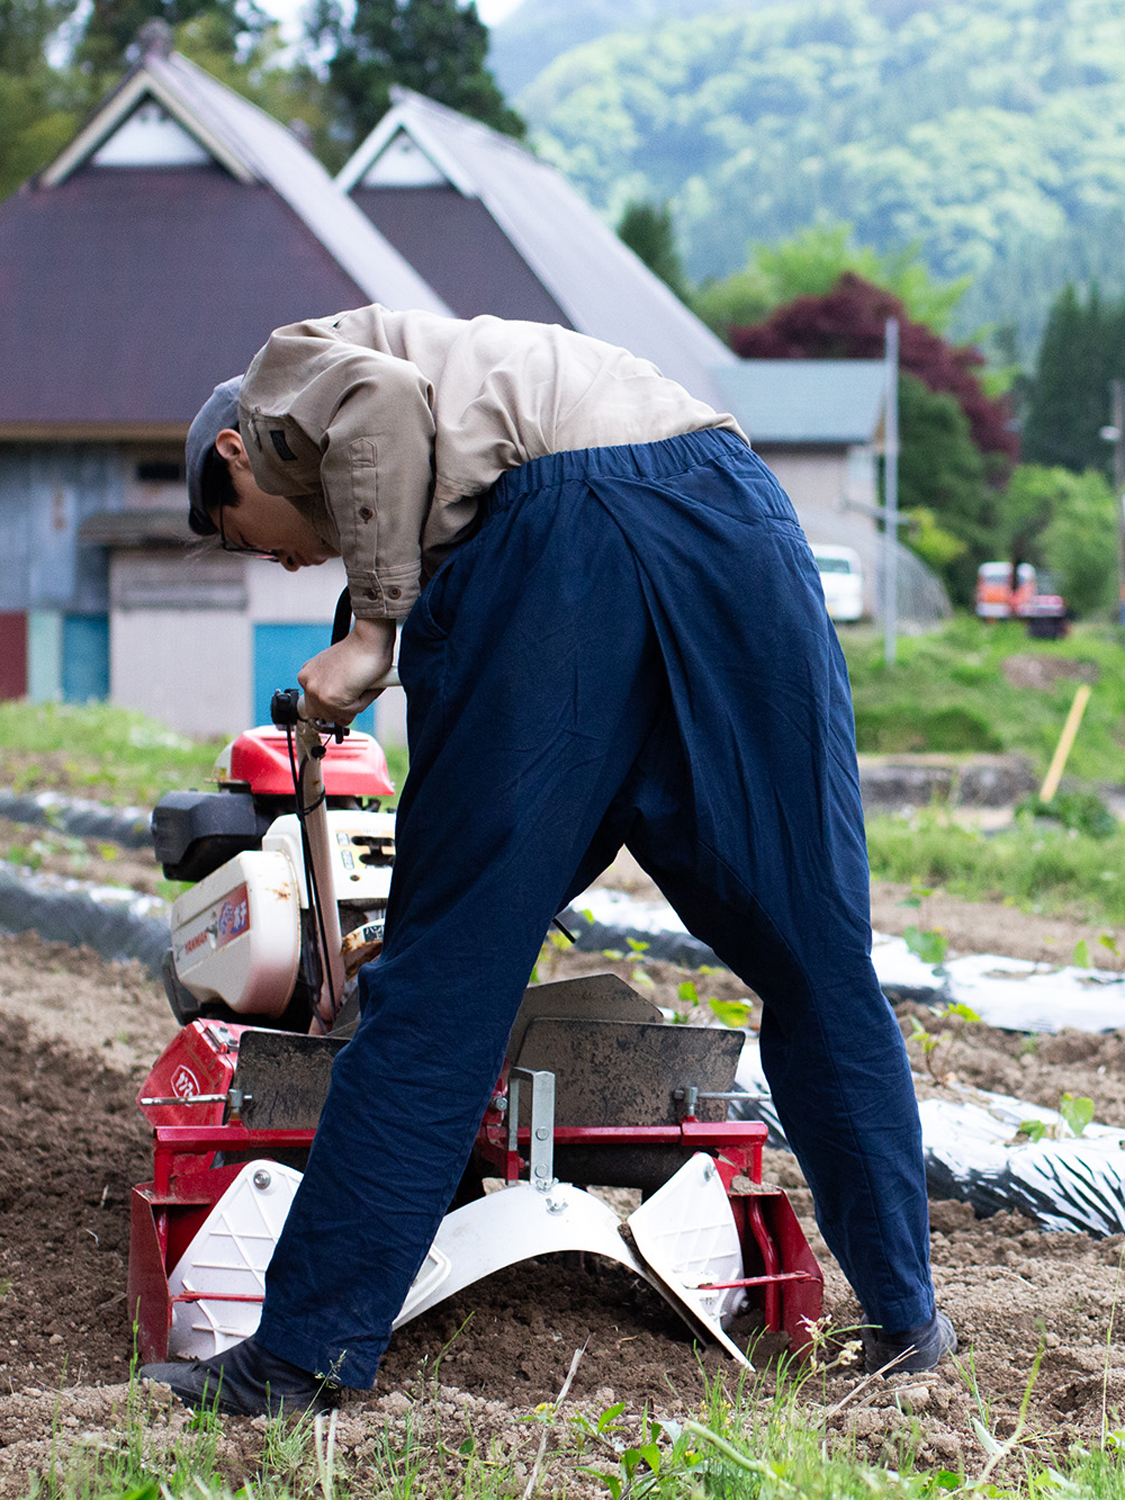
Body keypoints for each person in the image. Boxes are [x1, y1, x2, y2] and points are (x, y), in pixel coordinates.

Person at [141, 305, 953, 1416]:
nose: (285, 558)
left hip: (567, 534)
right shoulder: (446, 463)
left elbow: (377, 406)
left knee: (442, 988)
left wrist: (375, 635)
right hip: (731, 517)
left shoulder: (281, 375)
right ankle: (909, 1321)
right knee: (817, 958)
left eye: (249, 535)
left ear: (238, 455)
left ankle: (303, 1359)